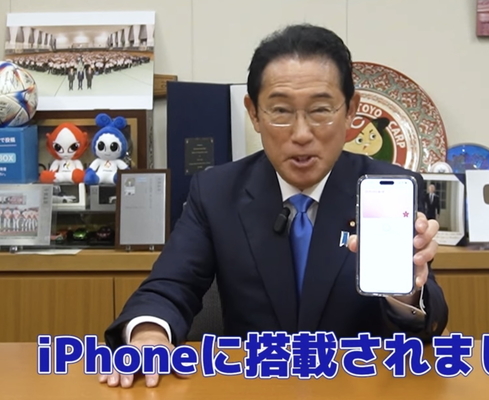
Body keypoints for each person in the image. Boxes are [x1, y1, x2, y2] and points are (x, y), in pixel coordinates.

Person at [101, 23, 448, 388]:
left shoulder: (391, 191)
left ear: (351, 111)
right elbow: (169, 286)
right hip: (253, 384)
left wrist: (405, 293)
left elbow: (427, 326)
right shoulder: (216, 192)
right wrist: (150, 335)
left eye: (321, 110)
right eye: (280, 111)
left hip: (361, 385)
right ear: (254, 113)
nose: (301, 134)